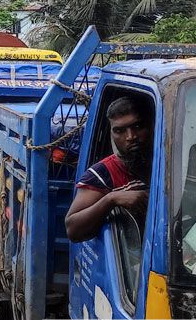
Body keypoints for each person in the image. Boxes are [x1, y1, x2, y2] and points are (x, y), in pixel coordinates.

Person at [65, 97, 152, 243]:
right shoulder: (103, 174)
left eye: (137, 126)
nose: (131, 137)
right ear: (111, 134)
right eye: (120, 131)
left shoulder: (173, 162)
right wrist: (111, 199)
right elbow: (73, 230)